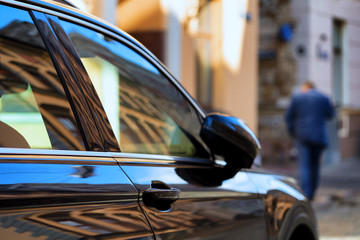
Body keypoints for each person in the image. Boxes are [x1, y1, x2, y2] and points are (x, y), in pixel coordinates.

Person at [285, 81, 334, 200]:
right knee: (315, 165)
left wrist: (293, 133)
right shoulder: (324, 98)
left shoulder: (297, 98)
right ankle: (312, 192)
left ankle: (305, 194)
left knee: (305, 165)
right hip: (318, 137)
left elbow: (288, 117)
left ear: (305, 88)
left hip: (302, 136)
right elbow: (330, 115)